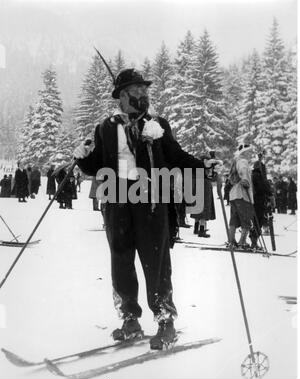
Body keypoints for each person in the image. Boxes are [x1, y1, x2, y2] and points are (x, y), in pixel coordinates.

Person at [73, 68, 218, 350]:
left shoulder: (157, 124)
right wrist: (82, 158)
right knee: (121, 260)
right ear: (122, 96)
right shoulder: (105, 127)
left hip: (150, 199)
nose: (143, 95)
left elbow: (176, 157)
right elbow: (98, 165)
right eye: (136, 90)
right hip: (116, 199)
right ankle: (130, 319)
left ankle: (165, 320)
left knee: (156, 261)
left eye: (144, 90)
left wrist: (203, 166)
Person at [227, 144, 254, 248]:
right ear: (244, 152)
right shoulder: (243, 161)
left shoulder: (236, 161)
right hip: (242, 194)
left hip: (234, 194)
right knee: (245, 218)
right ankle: (242, 241)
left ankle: (231, 240)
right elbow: (243, 171)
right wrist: (246, 181)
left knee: (234, 219)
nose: (251, 154)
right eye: (249, 151)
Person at [249, 161, 273, 249]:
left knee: (258, 221)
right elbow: (262, 188)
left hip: (256, 201)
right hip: (258, 201)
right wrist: (269, 193)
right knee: (258, 221)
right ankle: (254, 242)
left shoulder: (254, 175)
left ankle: (254, 241)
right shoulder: (257, 176)